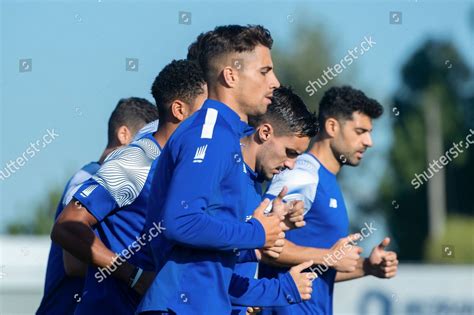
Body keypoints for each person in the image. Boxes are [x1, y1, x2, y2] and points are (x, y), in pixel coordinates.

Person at [137, 24, 301, 315]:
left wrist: (266, 229)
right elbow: (182, 222)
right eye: (264, 71)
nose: (275, 82)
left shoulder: (230, 136)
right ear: (230, 75)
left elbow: (213, 269)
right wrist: (257, 232)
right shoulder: (209, 134)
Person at [50, 59, 207, 315]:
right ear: (179, 110)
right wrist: (134, 276)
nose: (212, 121)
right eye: (205, 110)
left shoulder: (186, 168)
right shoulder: (137, 160)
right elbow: (67, 226)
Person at [259, 86, 399, 315]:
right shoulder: (302, 173)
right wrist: (329, 256)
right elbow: (261, 242)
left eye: (370, 132)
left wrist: (367, 267)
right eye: (360, 131)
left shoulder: (328, 181)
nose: (369, 141)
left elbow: (319, 267)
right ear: (332, 126)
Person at [36, 97, 158, 315]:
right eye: (145, 141)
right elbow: (72, 264)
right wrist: (135, 273)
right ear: (124, 135)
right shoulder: (87, 180)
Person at [231, 85, 319, 315]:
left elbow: (229, 255)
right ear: (265, 133)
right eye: (290, 152)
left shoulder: (254, 183)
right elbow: (203, 266)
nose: (291, 165)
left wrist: (275, 226)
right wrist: (280, 289)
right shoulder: (227, 175)